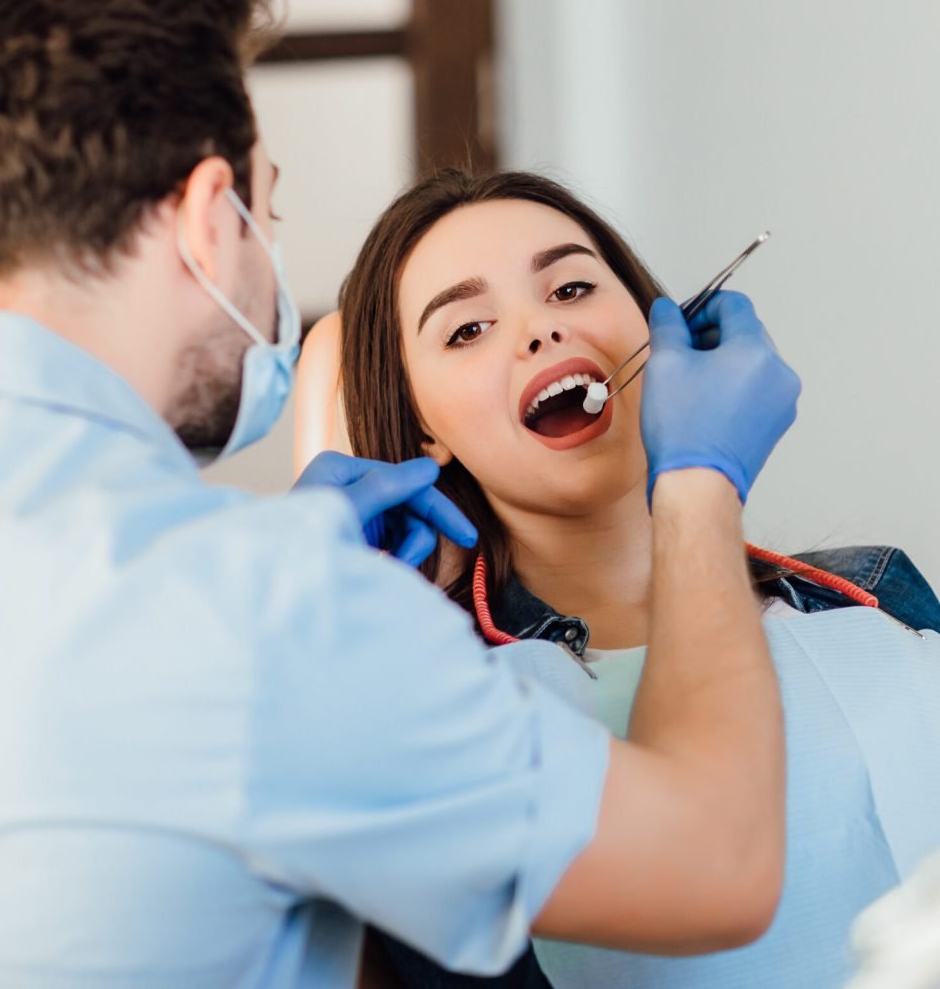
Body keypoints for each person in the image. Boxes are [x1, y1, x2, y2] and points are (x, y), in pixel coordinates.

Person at [0, 0, 802, 989]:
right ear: (214, 219)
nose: (541, 330)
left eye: (573, 285)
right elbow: (715, 864)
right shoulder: (267, 611)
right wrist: (701, 482)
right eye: (271, 206)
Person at [330, 168, 940, 989]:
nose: (540, 331)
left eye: (572, 286)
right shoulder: (424, 704)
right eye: (467, 330)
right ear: (422, 427)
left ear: (662, 330)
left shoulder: (874, 595)